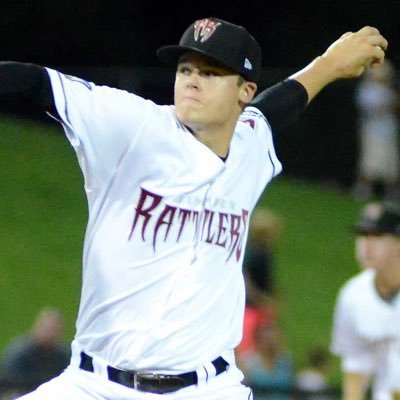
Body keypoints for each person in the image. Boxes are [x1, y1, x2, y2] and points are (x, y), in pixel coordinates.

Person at [0, 16, 387, 400]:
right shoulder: (132, 126)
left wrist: (330, 64)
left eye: (211, 72)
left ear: (245, 91)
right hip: (94, 385)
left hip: (209, 388)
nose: (192, 80)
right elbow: (36, 82)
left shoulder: (250, 146)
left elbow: (281, 104)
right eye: (185, 69)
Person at [330, 202, 400, 400]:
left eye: (377, 236)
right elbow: (355, 366)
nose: (366, 245)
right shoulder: (353, 295)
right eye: (362, 235)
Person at [352, 59, 400, 201]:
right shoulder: (367, 89)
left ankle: (392, 194)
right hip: (373, 131)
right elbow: (373, 108)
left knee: (391, 163)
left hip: (389, 130)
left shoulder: (389, 89)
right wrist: (391, 104)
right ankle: (362, 190)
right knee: (369, 162)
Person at [0, 308, 70, 397]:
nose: (49, 333)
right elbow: (8, 384)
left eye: (54, 329)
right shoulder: (20, 354)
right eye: (47, 328)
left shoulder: (63, 356)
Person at [238, 319, 295, 399]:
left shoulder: (285, 361)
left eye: (273, 339)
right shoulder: (248, 361)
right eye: (267, 339)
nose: (271, 343)